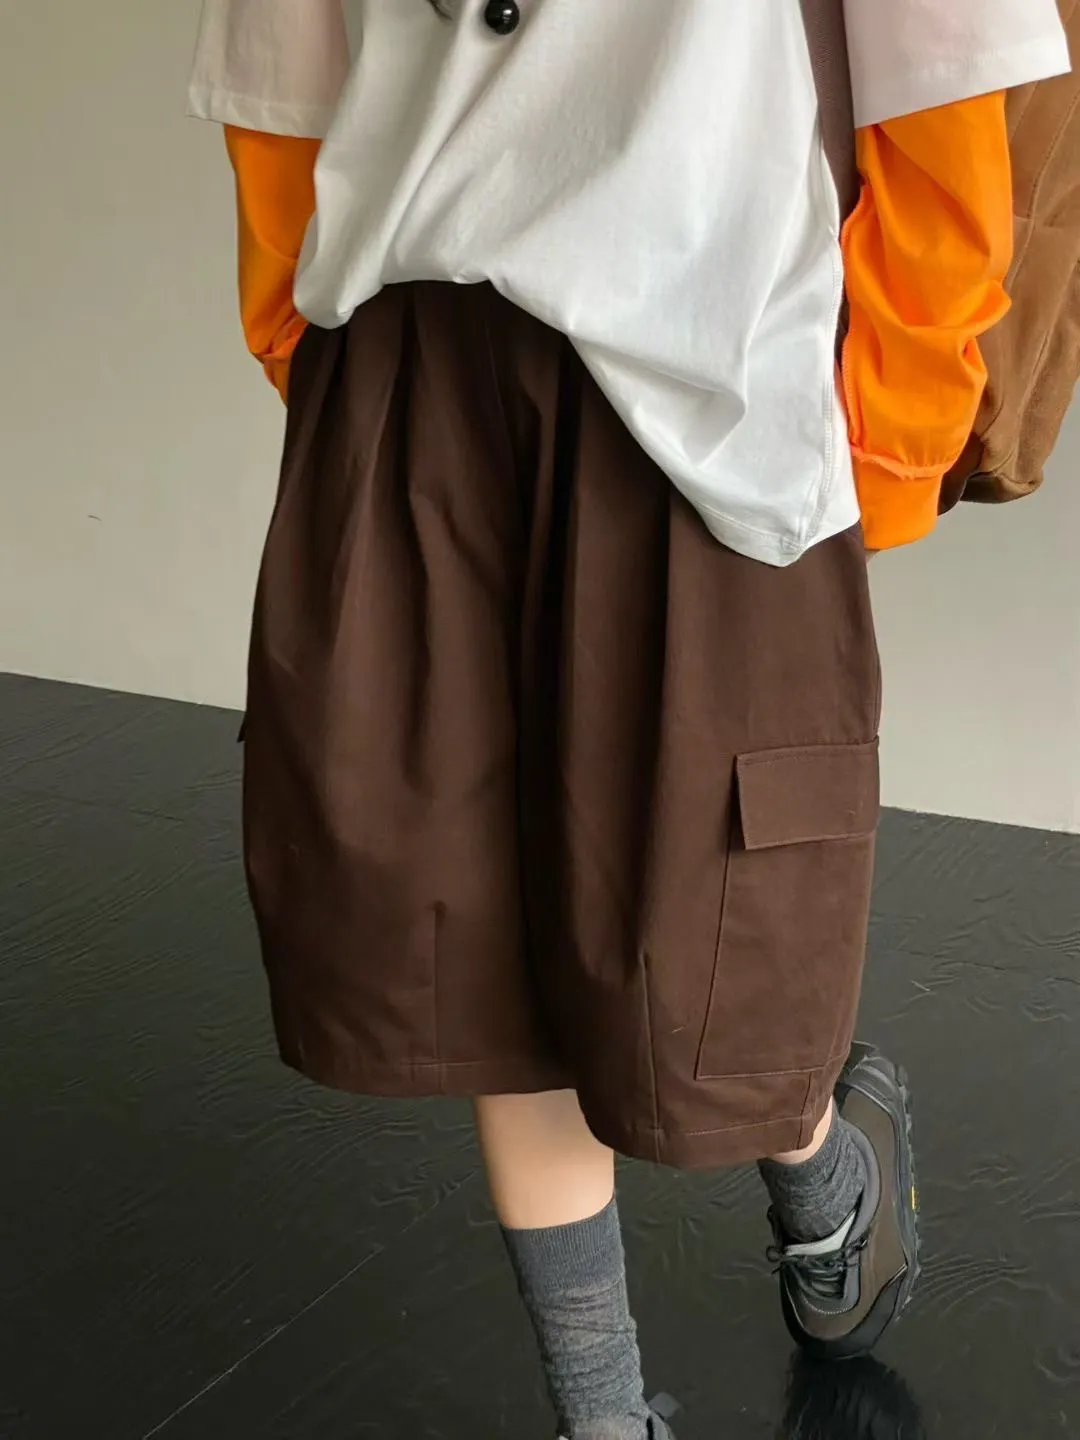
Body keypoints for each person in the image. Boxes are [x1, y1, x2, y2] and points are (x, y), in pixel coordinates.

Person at [189, 4, 1069, 1435]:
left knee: (718, 925)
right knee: (484, 937)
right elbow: (280, 66)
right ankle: (601, 1416)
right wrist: (319, 358)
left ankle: (824, 1167)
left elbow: (948, 68)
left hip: (708, 351)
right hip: (417, 338)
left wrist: (885, 432)